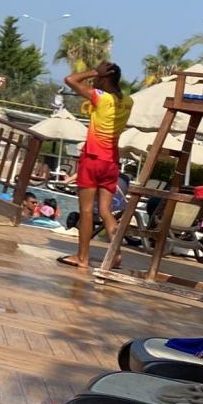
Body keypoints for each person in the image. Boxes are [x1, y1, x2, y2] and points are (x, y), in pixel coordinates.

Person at [58, 62, 132, 270]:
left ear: (105, 78)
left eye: (98, 77)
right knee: (106, 210)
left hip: (93, 158)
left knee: (87, 209)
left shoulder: (101, 97)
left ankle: (82, 257)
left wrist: (93, 71)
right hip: (111, 162)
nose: (95, 80)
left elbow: (70, 80)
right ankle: (115, 255)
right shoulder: (128, 101)